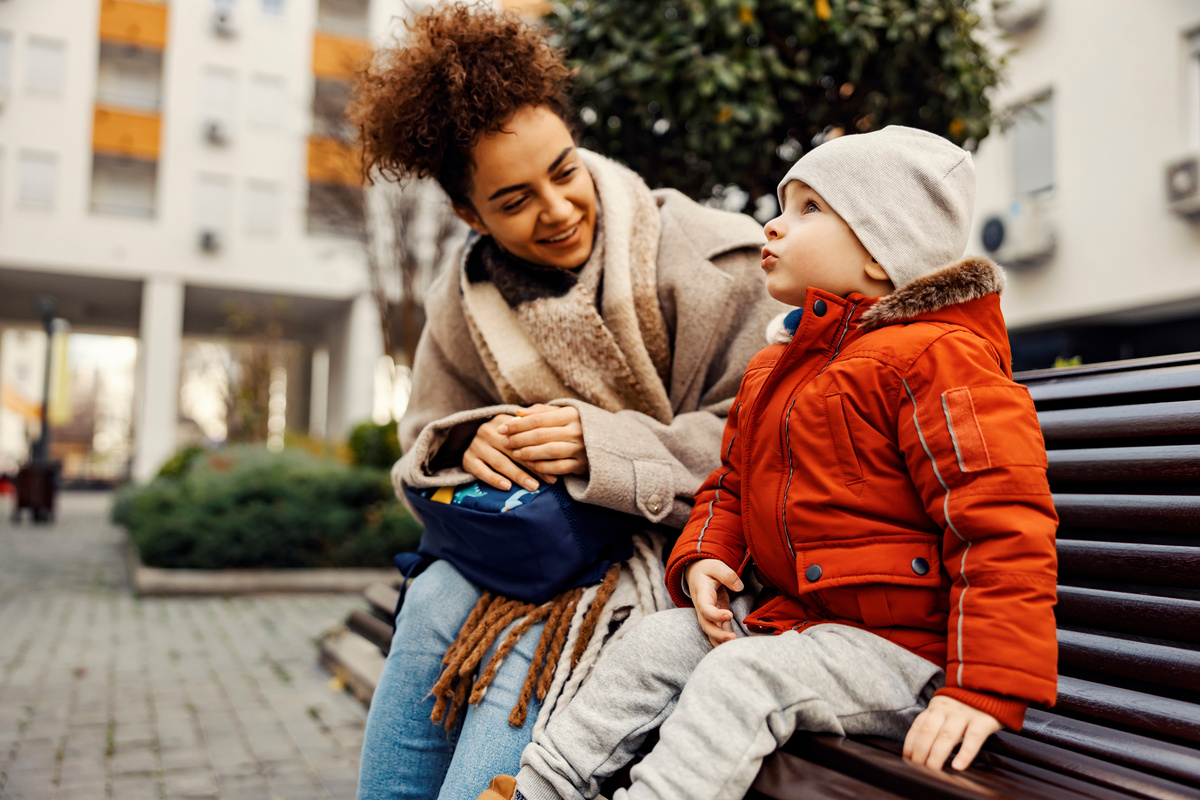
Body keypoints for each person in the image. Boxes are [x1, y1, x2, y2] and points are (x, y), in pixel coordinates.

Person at [479, 126, 1060, 800]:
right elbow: (730, 483)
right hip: (800, 626)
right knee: (652, 644)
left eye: (810, 209)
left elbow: (1002, 524)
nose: (775, 226)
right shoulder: (776, 369)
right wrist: (706, 553)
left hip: (909, 654)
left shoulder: (938, 362)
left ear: (880, 253)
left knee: (741, 680)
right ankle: (539, 790)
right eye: (785, 206)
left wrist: (982, 688)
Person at [349, 5, 784, 799]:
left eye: (564, 169)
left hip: (692, 566)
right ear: (466, 214)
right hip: (541, 552)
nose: (556, 209)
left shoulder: (716, 257)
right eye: (513, 201)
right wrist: (467, 444)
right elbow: (424, 442)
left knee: (533, 628)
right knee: (436, 599)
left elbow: (771, 439)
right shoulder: (463, 299)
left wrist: (603, 448)